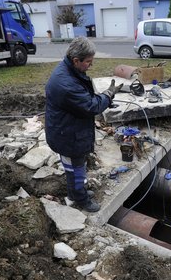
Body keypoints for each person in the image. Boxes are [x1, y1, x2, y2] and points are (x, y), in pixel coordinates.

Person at [45, 37, 123, 212]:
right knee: (75, 168)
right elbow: (91, 106)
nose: (91, 65)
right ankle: (80, 200)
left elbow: (85, 101)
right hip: (67, 135)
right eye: (88, 62)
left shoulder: (68, 70)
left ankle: (76, 193)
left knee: (74, 166)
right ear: (76, 60)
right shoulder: (66, 83)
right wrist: (108, 95)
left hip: (67, 129)